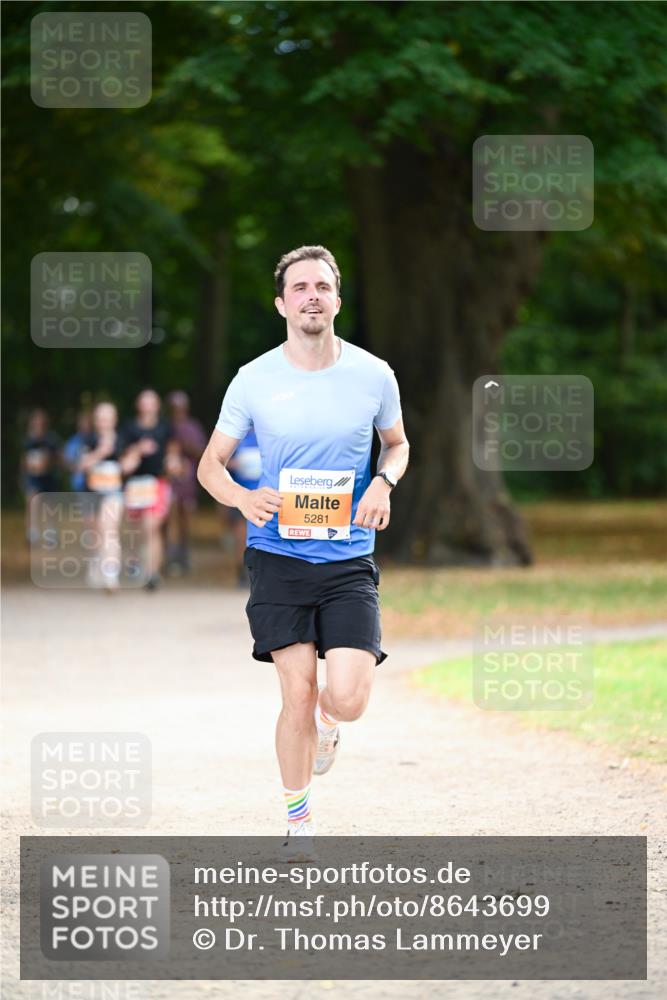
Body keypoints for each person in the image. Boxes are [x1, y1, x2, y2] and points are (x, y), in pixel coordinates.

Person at [197, 245, 409, 856]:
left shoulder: (374, 374)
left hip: (347, 558)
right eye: (300, 287)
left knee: (345, 698)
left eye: (322, 286)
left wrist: (383, 481)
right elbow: (210, 465)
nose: (311, 295)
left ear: (337, 300)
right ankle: (299, 824)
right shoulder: (255, 379)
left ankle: (328, 726)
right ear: (281, 303)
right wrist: (241, 497)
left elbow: (396, 445)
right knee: (295, 691)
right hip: (279, 554)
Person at [120, 389, 172, 590]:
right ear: (138, 405)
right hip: (135, 484)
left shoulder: (164, 428)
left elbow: (172, 450)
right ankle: (135, 560)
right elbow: (122, 454)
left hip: (157, 482)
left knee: (152, 526)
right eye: (144, 402)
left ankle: (152, 574)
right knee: (136, 528)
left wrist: (172, 461)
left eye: (151, 402)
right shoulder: (129, 428)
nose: (148, 406)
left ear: (157, 405)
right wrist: (138, 449)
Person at [77, 401, 125, 592]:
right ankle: (96, 562)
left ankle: (111, 575)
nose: (104, 422)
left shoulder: (122, 440)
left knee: (109, 529)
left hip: (113, 493)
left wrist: (130, 460)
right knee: (95, 534)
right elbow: (81, 465)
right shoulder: (88, 440)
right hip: (91, 494)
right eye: (100, 418)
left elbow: (128, 463)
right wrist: (100, 452)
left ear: (114, 420)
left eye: (107, 418)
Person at [164, 390, 206, 575]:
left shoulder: (192, 427)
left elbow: (202, 452)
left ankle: (183, 554)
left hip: (187, 482)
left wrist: (184, 443)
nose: (177, 410)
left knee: (185, 518)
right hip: (167, 480)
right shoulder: (164, 426)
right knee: (166, 518)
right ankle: (167, 555)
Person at [226, 429, 262, 586]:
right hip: (240, 493)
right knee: (240, 536)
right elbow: (220, 462)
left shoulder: (268, 434)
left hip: (264, 493)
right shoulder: (236, 436)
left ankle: (260, 572)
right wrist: (234, 464)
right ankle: (242, 571)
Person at [21, 409, 61, 542]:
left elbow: (56, 458)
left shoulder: (51, 439)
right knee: (32, 502)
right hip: (33, 478)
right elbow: (24, 459)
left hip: (49, 478)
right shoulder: (28, 440)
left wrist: (47, 463)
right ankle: (32, 532)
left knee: (50, 505)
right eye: (35, 423)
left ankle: (51, 532)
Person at [63, 410, 92, 491]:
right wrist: (78, 468)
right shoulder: (73, 441)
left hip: (95, 484)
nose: (85, 425)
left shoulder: (95, 439)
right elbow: (67, 462)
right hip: (78, 485)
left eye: (87, 422)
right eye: (82, 422)